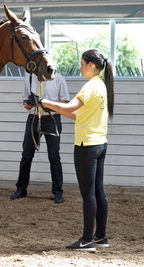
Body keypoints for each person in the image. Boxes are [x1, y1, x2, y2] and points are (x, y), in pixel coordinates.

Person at [39, 49, 114, 251]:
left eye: (82, 63)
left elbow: (70, 107)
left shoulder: (89, 86)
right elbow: (78, 115)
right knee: (99, 191)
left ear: (91, 65)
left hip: (86, 146)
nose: (80, 67)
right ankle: (101, 237)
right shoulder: (102, 85)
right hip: (100, 143)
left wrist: (45, 102)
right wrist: (53, 107)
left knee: (88, 194)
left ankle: (87, 239)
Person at [10, 72, 70, 204]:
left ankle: (58, 192)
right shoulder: (30, 78)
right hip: (33, 118)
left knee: (54, 156)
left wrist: (45, 103)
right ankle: (21, 189)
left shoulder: (58, 78)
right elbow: (25, 102)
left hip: (52, 119)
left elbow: (65, 101)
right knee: (26, 155)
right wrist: (29, 104)